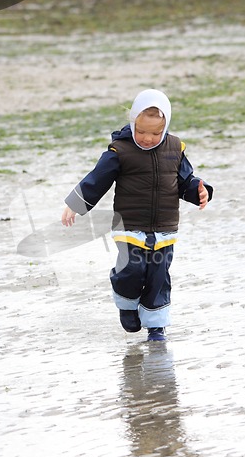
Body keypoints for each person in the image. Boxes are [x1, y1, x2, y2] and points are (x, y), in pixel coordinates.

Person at [62, 89, 213, 341]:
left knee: (158, 276)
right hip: (129, 226)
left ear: (165, 128)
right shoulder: (120, 150)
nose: (147, 138)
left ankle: (156, 326)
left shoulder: (175, 148)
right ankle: (127, 303)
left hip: (164, 228)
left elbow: (185, 180)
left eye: (155, 133)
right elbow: (97, 180)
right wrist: (76, 203)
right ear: (133, 122)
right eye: (141, 131)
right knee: (132, 269)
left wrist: (200, 190)